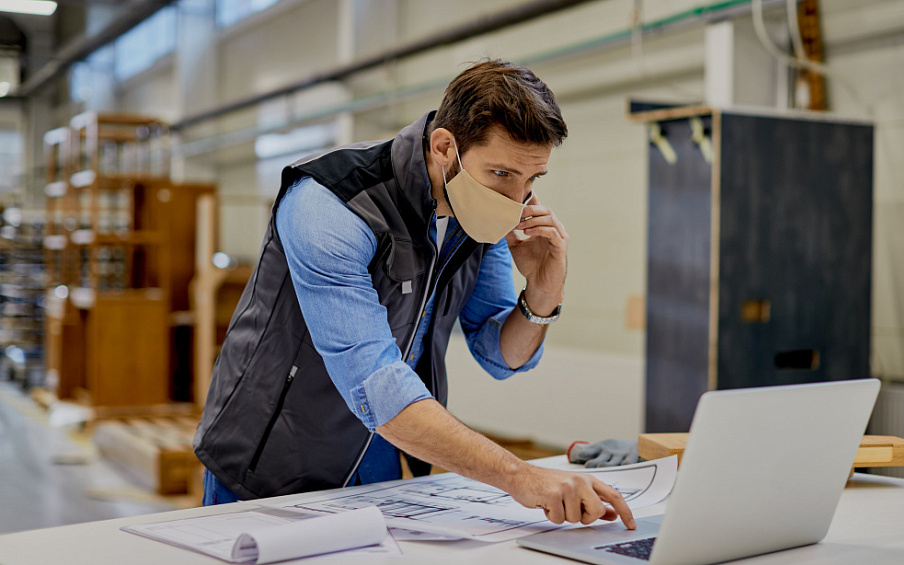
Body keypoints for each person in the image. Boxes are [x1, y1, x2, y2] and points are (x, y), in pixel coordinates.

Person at [194, 59, 635, 529]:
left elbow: (500, 355)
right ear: (446, 147)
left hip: (381, 458)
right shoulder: (332, 203)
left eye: (531, 181)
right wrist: (519, 476)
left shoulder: (478, 218)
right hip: (270, 463)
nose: (517, 200)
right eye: (503, 174)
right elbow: (376, 383)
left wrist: (544, 289)